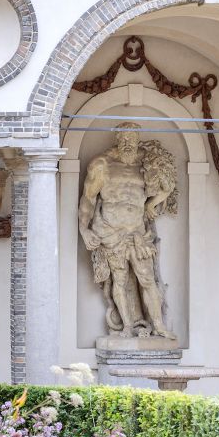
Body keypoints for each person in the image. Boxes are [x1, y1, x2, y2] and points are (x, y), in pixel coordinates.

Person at [79, 123, 177, 340]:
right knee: (120, 280)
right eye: (123, 138)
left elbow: (166, 186)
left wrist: (153, 204)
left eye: (131, 139)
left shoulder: (146, 164)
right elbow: (88, 200)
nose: (127, 143)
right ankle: (126, 326)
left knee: (148, 279)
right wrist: (84, 230)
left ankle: (158, 325)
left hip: (138, 234)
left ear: (137, 140)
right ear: (117, 139)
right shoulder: (102, 165)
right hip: (111, 233)